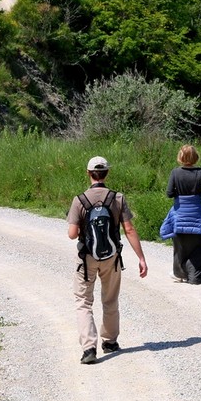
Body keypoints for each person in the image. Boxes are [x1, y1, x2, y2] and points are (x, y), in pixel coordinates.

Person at [67, 156, 148, 364]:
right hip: (112, 257)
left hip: (86, 258)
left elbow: (72, 233)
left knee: (84, 301)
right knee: (110, 300)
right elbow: (128, 229)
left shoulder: (80, 199)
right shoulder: (117, 198)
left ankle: (88, 348)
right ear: (107, 173)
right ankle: (110, 341)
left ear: (88, 173)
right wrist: (141, 258)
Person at [160, 144, 201, 284]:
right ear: (195, 157)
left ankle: (180, 274)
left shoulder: (175, 173)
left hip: (180, 215)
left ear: (180, 157)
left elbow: (169, 193)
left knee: (180, 246)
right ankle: (196, 276)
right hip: (197, 215)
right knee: (199, 247)